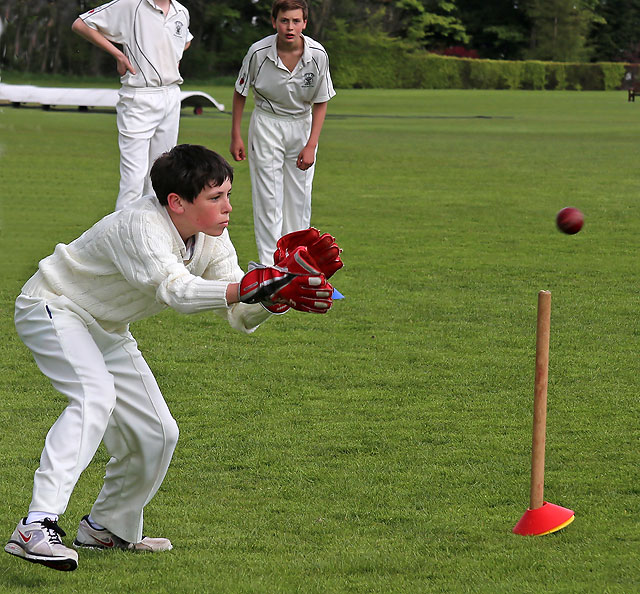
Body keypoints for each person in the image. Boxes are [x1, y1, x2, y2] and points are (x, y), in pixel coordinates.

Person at [4, 144, 338, 572]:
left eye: (228, 195)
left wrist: (274, 296)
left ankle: (106, 528)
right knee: (94, 396)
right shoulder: (141, 226)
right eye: (215, 198)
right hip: (54, 305)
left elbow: (238, 313)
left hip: (106, 325)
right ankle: (35, 525)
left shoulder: (211, 240)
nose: (228, 208)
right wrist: (253, 286)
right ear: (176, 202)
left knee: (159, 432)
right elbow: (176, 292)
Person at [230, 0, 336, 265]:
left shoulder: (318, 54)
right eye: (284, 21)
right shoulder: (258, 52)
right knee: (268, 196)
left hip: (302, 124)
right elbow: (240, 92)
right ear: (274, 21)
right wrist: (236, 135)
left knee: (299, 197)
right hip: (266, 123)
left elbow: (322, 101)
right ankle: (269, 265)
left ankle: (296, 262)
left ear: (305, 23)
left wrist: (312, 144)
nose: (290, 27)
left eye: (296, 21)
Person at [72, 0, 193, 211]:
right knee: (133, 181)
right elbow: (82, 25)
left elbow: (185, 40)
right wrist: (118, 54)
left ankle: (152, 239)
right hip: (139, 96)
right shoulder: (130, 4)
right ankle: (122, 241)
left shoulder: (181, 11)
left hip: (172, 95)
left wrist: (170, 55)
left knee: (161, 178)